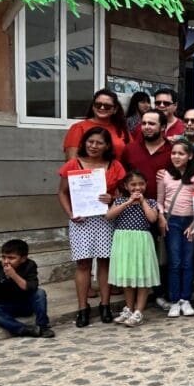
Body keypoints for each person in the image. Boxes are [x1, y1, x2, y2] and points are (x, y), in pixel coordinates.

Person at [58, 127, 125, 328]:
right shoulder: (73, 164)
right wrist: (70, 213)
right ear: (84, 142)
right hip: (81, 219)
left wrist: (112, 198)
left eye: (99, 143)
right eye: (90, 141)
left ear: (107, 146)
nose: (94, 146)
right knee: (83, 264)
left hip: (105, 218)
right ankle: (82, 308)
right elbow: (61, 192)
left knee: (105, 262)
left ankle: (105, 305)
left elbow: (123, 194)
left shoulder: (114, 165)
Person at [106, 171, 161, 327]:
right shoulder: (120, 201)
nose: (138, 188)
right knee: (127, 275)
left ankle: (139, 311)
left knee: (142, 275)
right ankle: (128, 308)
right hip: (124, 241)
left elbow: (152, 218)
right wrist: (127, 203)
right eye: (133, 184)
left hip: (141, 240)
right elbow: (109, 216)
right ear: (126, 186)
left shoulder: (150, 202)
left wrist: (142, 202)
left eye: (141, 184)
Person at [156, 139, 194, 318]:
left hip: (189, 222)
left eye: (181, 153)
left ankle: (186, 299)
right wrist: (160, 217)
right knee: (174, 261)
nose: (176, 156)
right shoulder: (165, 176)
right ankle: (174, 300)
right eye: (173, 153)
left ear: (189, 156)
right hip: (171, 221)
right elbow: (159, 200)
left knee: (188, 261)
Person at [0, 239, 53, 338]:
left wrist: (13, 275)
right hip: (6, 307)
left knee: (40, 292)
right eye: (3, 257)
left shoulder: (29, 265)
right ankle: (25, 329)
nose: (6, 261)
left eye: (11, 258)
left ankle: (43, 327)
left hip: (26, 305)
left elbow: (31, 288)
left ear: (23, 258)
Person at [63, 89, 130, 161]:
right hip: (88, 171)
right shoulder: (78, 127)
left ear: (115, 109)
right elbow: (71, 160)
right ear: (93, 107)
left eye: (107, 106)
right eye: (98, 105)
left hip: (118, 171)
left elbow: (132, 154)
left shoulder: (121, 129)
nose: (102, 108)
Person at [122, 109, 172, 200]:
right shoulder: (129, 149)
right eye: (144, 123)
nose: (146, 127)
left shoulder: (173, 151)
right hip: (133, 206)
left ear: (163, 127)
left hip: (163, 207)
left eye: (151, 124)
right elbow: (122, 178)